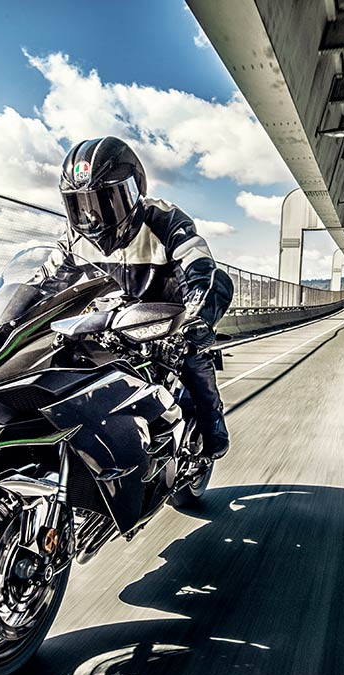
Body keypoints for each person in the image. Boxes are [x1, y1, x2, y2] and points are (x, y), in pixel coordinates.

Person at [57, 136, 231, 459]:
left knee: (193, 358)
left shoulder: (165, 220)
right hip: (106, 327)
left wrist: (193, 316)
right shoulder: (72, 239)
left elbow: (199, 266)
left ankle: (212, 422)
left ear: (135, 190)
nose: (94, 218)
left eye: (106, 202)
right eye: (82, 207)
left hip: (166, 325)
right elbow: (43, 280)